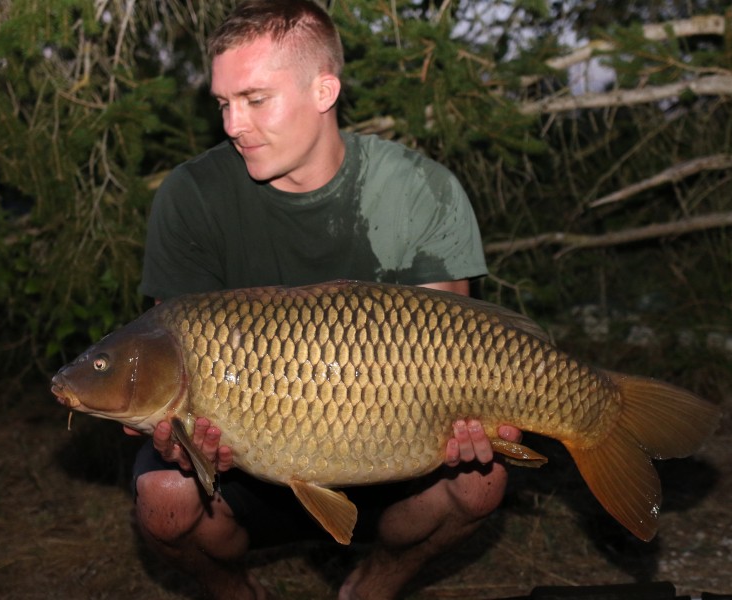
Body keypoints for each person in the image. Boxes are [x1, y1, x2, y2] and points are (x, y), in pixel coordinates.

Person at [128, 1, 522, 598]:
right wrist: (176, 433)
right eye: (223, 104)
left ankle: (373, 585)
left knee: (482, 480)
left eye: (256, 100)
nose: (234, 124)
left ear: (324, 90)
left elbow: (451, 350)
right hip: (246, 454)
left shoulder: (420, 191)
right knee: (164, 498)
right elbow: (166, 352)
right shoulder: (191, 197)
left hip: (390, 450)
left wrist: (468, 421)